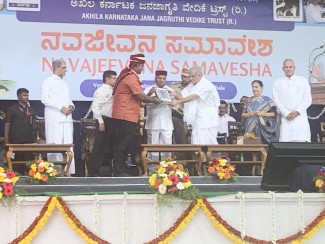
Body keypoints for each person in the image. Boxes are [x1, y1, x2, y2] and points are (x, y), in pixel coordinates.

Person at [111, 53, 161, 177]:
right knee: (121, 145)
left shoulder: (128, 74)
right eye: (142, 66)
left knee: (124, 144)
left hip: (126, 115)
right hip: (124, 115)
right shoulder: (131, 77)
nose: (143, 69)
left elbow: (139, 97)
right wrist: (154, 101)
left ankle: (122, 169)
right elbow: (139, 95)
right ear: (137, 65)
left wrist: (149, 97)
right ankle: (119, 171)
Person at [169, 66, 220, 144]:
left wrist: (177, 102)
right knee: (196, 144)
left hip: (208, 120)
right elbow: (185, 97)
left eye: (193, 76)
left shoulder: (207, 85)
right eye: (190, 76)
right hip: (198, 119)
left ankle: (213, 156)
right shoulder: (193, 85)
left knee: (209, 145)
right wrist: (175, 94)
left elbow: (193, 97)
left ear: (199, 75)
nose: (190, 79)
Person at [41, 59, 75, 175]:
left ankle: (68, 172)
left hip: (66, 119)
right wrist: (60, 108)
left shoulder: (65, 83)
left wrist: (71, 106)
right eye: (64, 67)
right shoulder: (48, 81)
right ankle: (54, 172)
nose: (66, 70)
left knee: (68, 146)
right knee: (55, 145)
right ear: (56, 68)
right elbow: (45, 99)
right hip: (55, 118)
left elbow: (69, 100)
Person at [273, 59, 312, 142]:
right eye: (286, 67)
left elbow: (307, 99)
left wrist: (297, 112)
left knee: (301, 145)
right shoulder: (278, 82)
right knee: (285, 147)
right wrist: (286, 113)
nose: (288, 69)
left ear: (294, 68)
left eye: (290, 67)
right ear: (283, 69)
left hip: (300, 119)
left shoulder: (303, 80)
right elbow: (275, 100)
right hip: (286, 119)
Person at [88, 70, 117, 177]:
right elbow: (95, 107)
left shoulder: (113, 90)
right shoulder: (101, 90)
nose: (115, 80)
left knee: (110, 147)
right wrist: (101, 122)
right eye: (114, 78)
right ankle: (93, 172)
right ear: (107, 79)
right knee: (99, 147)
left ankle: (112, 171)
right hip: (103, 120)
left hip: (112, 120)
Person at [144, 70, 173, 163]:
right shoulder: (149, 89)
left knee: (167, 147)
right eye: (159, 78)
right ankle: (152, 168)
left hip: (167, 123)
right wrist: (149, 95)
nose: (161, 80)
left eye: (164, 78)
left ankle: (168, 168)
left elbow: (176, 105)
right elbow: (141, 102)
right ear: (155, 79)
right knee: (153, 146)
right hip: (153, 122)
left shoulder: (170, 90)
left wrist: (170, 100)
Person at [4, 88, 36, 172]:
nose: (27, 97)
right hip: (16, 139)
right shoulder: (11, 109)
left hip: (29, 139)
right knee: (16, 161)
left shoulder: (32, 110)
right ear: (18, 96)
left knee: (29, 161)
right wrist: (6, 140)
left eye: (27, 95)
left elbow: (34, 125)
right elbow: (7, 124)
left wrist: (35, 139)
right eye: (24, 95)